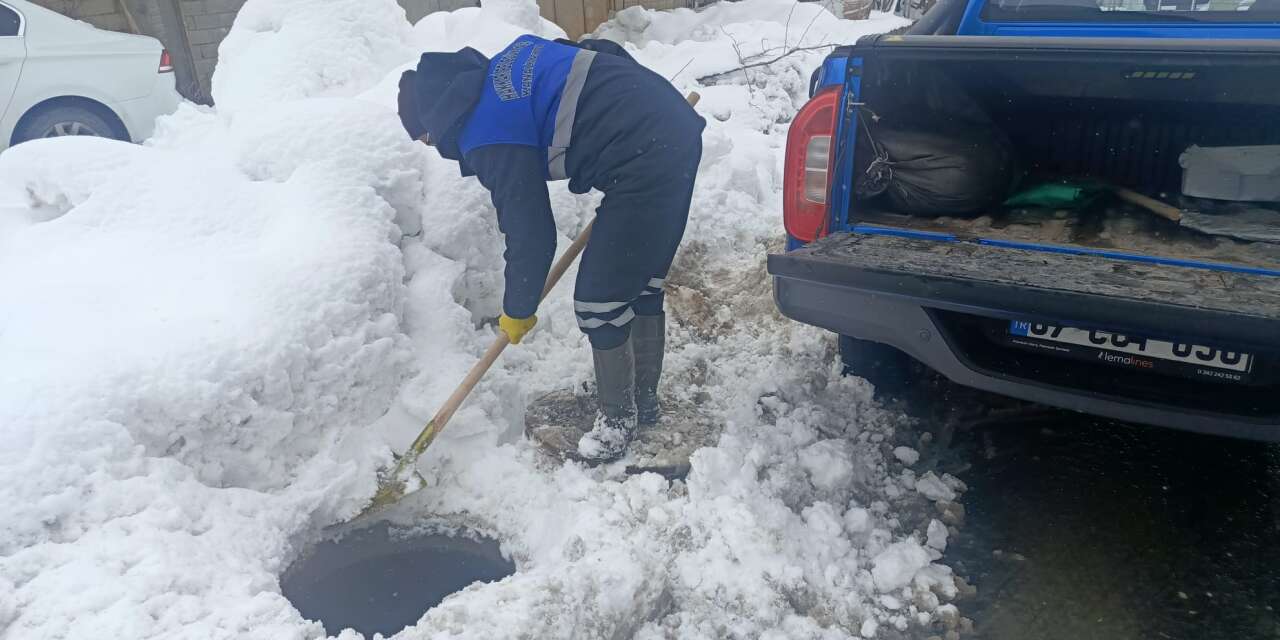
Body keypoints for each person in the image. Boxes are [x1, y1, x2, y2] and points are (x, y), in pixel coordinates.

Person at [397, 35, 704, 461]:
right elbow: (604, 51)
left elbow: (531, 231)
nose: (433, 148)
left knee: (601, 300)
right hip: (671, 133)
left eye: (427, 139)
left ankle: (618, 420)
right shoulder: (515, 58)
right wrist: (645, 109)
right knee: (640, 283)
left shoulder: (488, 131)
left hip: (645, 158)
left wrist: (518, 308)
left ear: (437, 119)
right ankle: (640, 400)